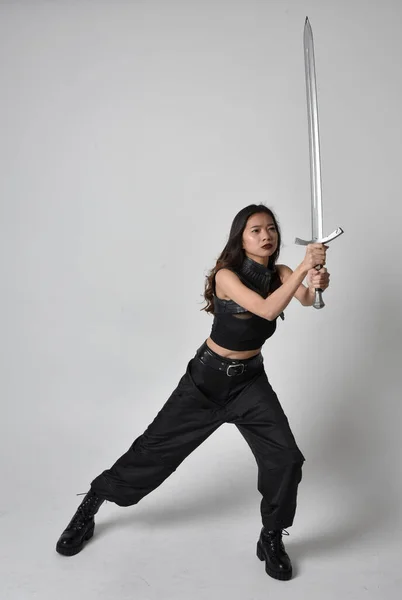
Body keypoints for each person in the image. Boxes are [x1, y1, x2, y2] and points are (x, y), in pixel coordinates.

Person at [55, 204, 330, 581]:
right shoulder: (226, 276)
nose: (266, 236)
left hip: (250, 383)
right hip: (206, 381)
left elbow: (302, 298)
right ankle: (91, 504)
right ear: (240, 237)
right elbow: (266, 311)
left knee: (286, 458)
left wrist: (316, 280)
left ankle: (270, 537)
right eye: (255, 230)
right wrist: (303, 266)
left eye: (271, 229)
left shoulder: (280, 272)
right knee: (153, 452)